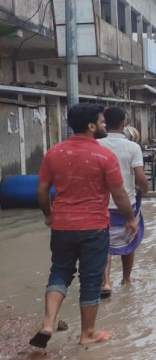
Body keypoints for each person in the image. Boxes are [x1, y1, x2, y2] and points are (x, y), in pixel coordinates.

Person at [29, 104, 137, 349]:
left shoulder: (54, 152)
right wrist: (130, 218)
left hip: (62, 226)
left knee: (59, 272)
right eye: (101, 122)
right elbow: (119, 194)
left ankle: (48, 324)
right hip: (94, 227)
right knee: (90, 279)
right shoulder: (104, 156)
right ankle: (88, 333)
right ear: (91, 126)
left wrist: (49, 215)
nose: (104, 125)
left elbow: (41, 191)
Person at [98, 107, 148, 297]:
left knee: (104, 243)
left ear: (105, 123)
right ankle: (126, 278)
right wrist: (145, 189)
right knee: (130, 238)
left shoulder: (97, 145)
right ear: (123, 123)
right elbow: (140, 176)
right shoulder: (132, 147)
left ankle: (106, 281)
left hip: (101, 203)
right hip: (126, 202)